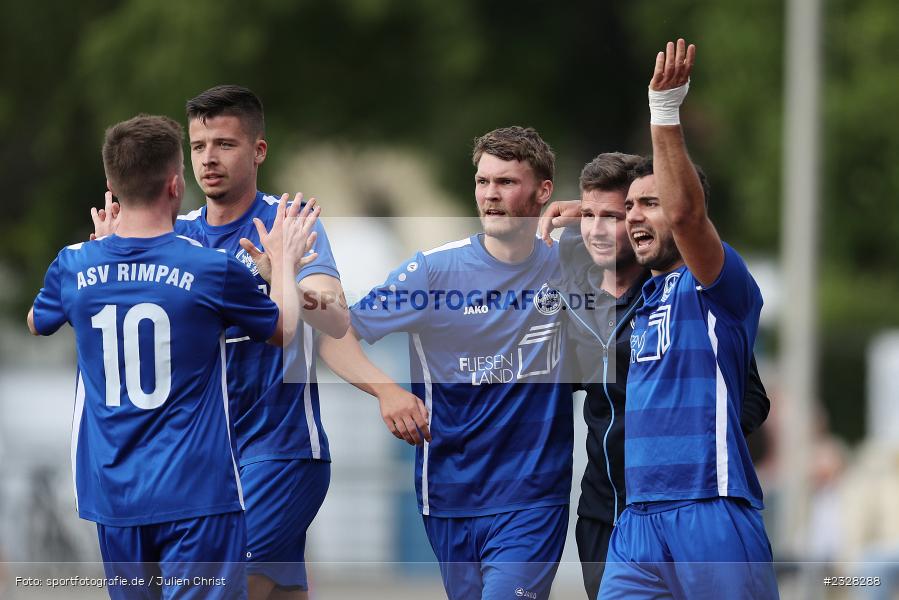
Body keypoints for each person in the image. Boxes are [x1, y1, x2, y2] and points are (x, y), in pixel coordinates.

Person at [29, 114, 317, 599]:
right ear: (174, 185)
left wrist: (102, 253)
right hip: (197, 493)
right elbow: (284, 331)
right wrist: (284, 266)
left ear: (111, 188)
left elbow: (37, 322)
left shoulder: (73, 265)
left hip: (112, 495)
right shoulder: (210, 268)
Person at [92, 86, 349, 600]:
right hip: (200, 468)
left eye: (225, 144)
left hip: (276, 454)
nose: (209, 158)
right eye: (199, 146)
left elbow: (336, 316)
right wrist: (111, 265)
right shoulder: (173, 236)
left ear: (259, 151)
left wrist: (281, 279)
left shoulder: (286, 222)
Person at [318, 126, 573, 600]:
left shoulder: (571, 264)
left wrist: (588, 213)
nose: (490, 195)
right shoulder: (434, 271)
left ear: (543, 192)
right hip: (449, 494)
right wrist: (387, 391)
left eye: (506, 182)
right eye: (483, 181)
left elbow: (660, 233)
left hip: (533, 498)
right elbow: (335, 336)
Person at [539, 153, 772, 599]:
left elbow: (749, 397)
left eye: (615, 214)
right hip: (609, 514)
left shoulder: (692, 295)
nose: (603, 226)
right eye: (595, 215)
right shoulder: (580, 298)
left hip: (696, 504)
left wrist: (688, 446)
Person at [596, 40, 779, 599]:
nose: (634, 217)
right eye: (629, 207)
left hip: (710, 509)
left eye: (648, 204)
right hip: (637, 522)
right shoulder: (640, 299)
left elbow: (686, 215)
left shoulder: (718, 287)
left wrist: (664, 111)